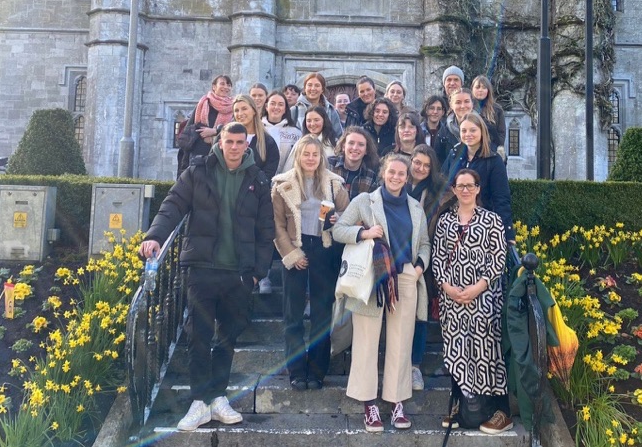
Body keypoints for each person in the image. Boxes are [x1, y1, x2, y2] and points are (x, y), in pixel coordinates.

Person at [140, 122, 275, 431]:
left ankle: (218, 397)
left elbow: (266, 231)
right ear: (221, 141)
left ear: (247, 144)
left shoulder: (258, 179)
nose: (235, 147)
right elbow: (172, 206)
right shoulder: (197, 171)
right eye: (229, 141)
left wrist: (258, 273)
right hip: (201, 268)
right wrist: (155, 237)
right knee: (198, 336)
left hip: (238, 274)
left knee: (227, 339)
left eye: (240, 142)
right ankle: (199, 401)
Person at [332, 153, 430, 433]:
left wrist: (419, 267)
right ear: (383, 173)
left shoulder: (414, 207)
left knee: (401, 343)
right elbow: (338, 229)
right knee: (366, 341)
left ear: (407, 177)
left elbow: (424, 242)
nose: (397, 177)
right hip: (372, 279)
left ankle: (396, 401)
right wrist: (364, 234)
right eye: (392, 172)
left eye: (402, 173)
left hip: (405, 277)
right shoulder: (365, 201)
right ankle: (369, 404)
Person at [431, 168, 512, 435]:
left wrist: (477, 288)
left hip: (484, 299)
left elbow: (498, 259)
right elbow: (438, 259)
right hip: (452, 299)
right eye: (460, 186)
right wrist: (448, 288)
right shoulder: (445, 222)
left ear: (478, 189)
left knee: (487, 351)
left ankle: (500, 411)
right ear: (454, 190)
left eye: (470, 185)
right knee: (458, 351)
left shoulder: (492, 221)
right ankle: (462, 404)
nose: (465, 190)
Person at [271, 136, 350, 391]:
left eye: (315, 154)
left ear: (321, 157)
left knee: (321, 315)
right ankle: (296, 371)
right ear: (298, 155)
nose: (310, 158)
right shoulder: (281, 185)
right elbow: (277, 225)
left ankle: (317, 371)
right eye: (306, 154)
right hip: (294, 248)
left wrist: (338, 218)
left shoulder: (334, 184)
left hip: (324, 248)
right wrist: (292, 254)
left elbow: (348, 217)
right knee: (293, 315)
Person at [406, 144, 450, 391]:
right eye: (417, 163)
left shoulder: (436, 192)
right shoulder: (398, 181)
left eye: (426, 165)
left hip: (424, 258)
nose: (420, 168)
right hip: (397, 256)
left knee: (420, 313)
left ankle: (415, 367)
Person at [441, 113, 515, 244]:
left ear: (482, 131)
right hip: (454, 223)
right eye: (464, 130)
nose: (468, 134)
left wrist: (507, 233)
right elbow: (443, 185)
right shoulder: (454, 155)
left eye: (473, 130)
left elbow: (501, 198)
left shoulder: (494, 160)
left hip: (483, 225)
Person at [176, 74, 234, 175]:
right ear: (214, 86)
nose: (226, 87)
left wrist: (214, 132)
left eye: (228, 85)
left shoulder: (234, 107)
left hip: (221, 155)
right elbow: (188, 133)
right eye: (222, 84)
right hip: (198, 155)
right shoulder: (203, 103)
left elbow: (235, 129)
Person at [232, 94, 280, 182]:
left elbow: (268, 174)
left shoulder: (268, 142)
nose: (240, 114)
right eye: (236, 110)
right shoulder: (225, 138)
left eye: (244, 109)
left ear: (254, 111)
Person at [329, 126, 380, 201]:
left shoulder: (370, 176)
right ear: (343, 146)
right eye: (351, 143)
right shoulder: (329, 165)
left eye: (361, 144)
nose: (355, 148)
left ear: (366, 150)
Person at [282, 105, 336, 170]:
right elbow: (289, 168)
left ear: (324, 120)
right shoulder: (300, 143)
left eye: (316, 120)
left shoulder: (333, 142)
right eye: (309, 121)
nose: (312, 124)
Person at [262, 89, 302, 174]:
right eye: (272, 104)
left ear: (285, 109)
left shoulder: (296, 133)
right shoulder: (257, 129)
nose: (276, 107)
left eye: (280, 104)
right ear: (266, 107)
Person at [433, 88, 474, 165]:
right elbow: (438, 161)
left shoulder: (485, 128)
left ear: (472, 103)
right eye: (458, 102)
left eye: (466, 101)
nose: (462, 106)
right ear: (451, 105)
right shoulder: (444, 131)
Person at [293, 72, 343, 137]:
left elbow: (339, 136)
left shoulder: (331, 110)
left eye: (317, 85)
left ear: (322, 89)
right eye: (310, 85)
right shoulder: (294, 110)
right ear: (305, 88)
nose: (313, 89)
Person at [471, 75, 507, 161]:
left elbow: (501, 133)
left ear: (488, 90)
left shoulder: (497, 109)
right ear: (472, 89)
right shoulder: (468, 108)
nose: (480, 90)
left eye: (484, 87)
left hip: (491, 151)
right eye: (477, 87)